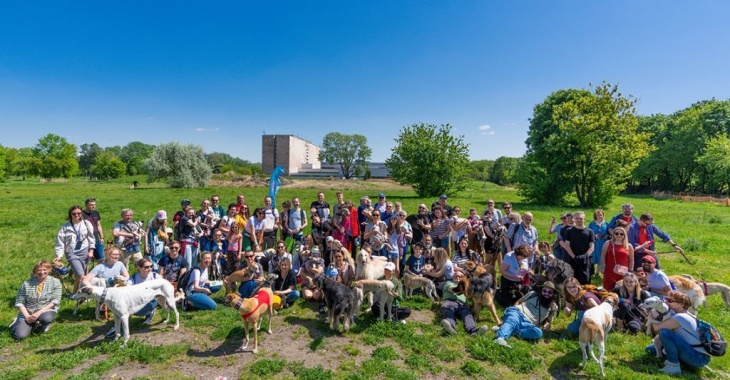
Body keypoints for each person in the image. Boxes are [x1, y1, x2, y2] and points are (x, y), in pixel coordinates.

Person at [646, 291, 711, 375]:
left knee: (664, 332)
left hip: (697, 357)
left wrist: (651, 315)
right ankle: (682, 362)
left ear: (681, 304)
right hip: (697, 354)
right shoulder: (686, 314)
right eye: (666, 299)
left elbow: (657, 328)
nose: (665, 302)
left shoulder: (679, 317)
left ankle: (673, 366)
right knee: (650, 349)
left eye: (670, 301)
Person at [493, 281, 559, 348]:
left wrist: (546, 324)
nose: (546, 294)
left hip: (529, 324)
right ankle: (500, 338)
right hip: (518, 312)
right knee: (513, 321)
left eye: (550, 292)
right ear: (541, 291)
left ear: (553, 294)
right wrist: (514, 309)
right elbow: (519, 301)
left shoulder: (554, 307)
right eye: (544, 291)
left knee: (538, 333)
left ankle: (507, 329)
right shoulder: (532, 294)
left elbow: (548, 320)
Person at [11, 261, 63, 340]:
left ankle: (42, 323)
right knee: (20, 336)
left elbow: (55, 301)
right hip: (28, 312)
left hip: (45, 310)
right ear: (35, 271)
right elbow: (19, 303)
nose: (42, 272)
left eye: (44, 270)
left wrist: (38, 313)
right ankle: (18, 323)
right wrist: (27, 316)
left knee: (47, 319)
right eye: (39, 270)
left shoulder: (55, 282)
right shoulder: (26, 284)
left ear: (49, 270)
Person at [55, 205, 96, 294]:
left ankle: (80, 294)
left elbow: (91, 238)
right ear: (70, 214)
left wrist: (91, 251)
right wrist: (59, 255)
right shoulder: (65, 227)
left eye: (79, 213)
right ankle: (77, 294)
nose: (76, 215)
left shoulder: (87, 224)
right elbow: (60, 242)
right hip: (71, 252)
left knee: (82, 276)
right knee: (80, 275)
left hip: (84, 251)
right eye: (74, 214)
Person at [440, 268, 488, 336]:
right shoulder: (449, 283)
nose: (458, 278)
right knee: (448, 311)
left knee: (467, 315)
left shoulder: (466, 286)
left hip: (462, 304)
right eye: (456, 276)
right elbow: (453, 289)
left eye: (460, 276)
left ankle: (473, 330)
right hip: (449, 302)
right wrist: (466, 288)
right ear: (452, 277)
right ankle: (450, 327)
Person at [560, 211, 595, 285]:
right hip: (572, 260)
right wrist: (574, 257)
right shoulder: (569, 231)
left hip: (585, 261)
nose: (579, 220)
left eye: (581, 218)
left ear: (584, 219)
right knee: (571, 281)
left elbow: (592, 247)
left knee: (585, 281)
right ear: (574, 219)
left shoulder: (590, 231)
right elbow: (567, 245)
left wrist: (584, 256)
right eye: (577, 218)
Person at [127, 258, 161, 325]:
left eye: (151, 266)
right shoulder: (133, 278)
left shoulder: (155, 276)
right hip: (138, 300)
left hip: (151, 300)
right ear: (139, 268)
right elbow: (127, 289)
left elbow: (162, 285)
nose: (149, 269)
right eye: (146, 267)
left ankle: (150, 313)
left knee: (142, 309)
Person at [600, 226, 634, 290]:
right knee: (608, 289)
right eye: (616, 233)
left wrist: (630, 271)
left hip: (623, 272)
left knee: (622, 289)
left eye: (621, 234)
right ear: (613, 234)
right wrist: (602, 267)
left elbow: (631, 260)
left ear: (624, 235)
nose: (619, 235)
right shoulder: (608, 243)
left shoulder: (629, 246)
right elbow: (603, 256)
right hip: (610, 270)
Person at [82, 198, 105, 262]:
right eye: (91, 205)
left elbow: (98, 225)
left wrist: (102, 237)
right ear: (86, 205)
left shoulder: (96, 213)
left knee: (101, 258)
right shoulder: (81, 214)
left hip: (96, 239)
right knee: (86, 260)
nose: (93, 206)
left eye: (94, 204)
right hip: (86, 240)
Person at [588, 209, 609, 278]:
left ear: (603, 215)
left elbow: (609, 233)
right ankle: (591, 271)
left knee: (601, 257)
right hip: (594, 243)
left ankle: (597, 273)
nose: (600, 216)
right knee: (593, 257)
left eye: (601, 215)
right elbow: (588, 232)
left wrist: (606, 236)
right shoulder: (592, 224)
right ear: (595, 216)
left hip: (603, 243)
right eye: (598, 215)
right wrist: (594, 236)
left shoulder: (607, 224)